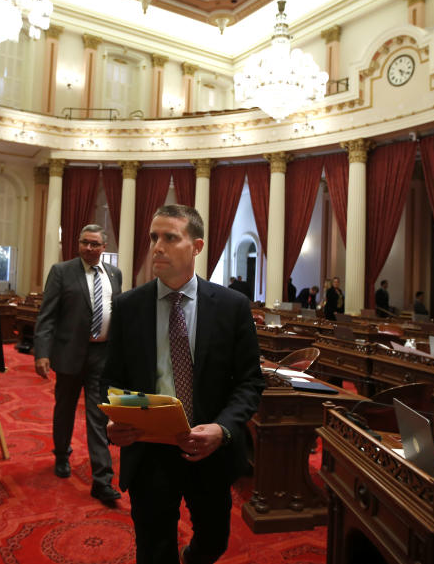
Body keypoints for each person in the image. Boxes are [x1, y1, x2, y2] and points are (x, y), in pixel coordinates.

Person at [103, 204, 265, 564]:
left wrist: (223, 430)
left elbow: (250, 382)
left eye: (170, 237)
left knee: (213, 542)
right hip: (149, 449)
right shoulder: (129, 306)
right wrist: (114, 422)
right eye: (153, 237)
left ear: (196, 246)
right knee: (153, 548)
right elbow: (111, 379)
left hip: (209, 448)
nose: (157, 246)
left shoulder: (232, 307)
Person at [34, 224, 122, 504]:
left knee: (99, 416)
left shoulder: (114, 274)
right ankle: (62, 454)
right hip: (69, 353)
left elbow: (116, 313)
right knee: (65, 408)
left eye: (95, 244)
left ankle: (102, 479)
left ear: (103, 247)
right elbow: (47, 315)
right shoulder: (62, 271)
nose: (89, 248)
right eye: (84, 242)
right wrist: (42, 352)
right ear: (78, 244)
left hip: (102, 355)